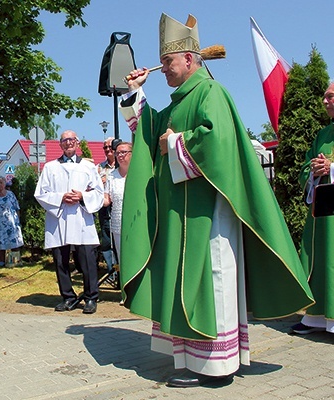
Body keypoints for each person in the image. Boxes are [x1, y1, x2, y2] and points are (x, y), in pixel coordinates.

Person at [119, 13, 314, 388]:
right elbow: (148, 133)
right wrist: (136, 94)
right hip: (183, 212)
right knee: (190, 281)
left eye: (168, 63)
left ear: (190, 60)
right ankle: (199, 358)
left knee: (213, 278)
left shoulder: (212, 93)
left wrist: (175, 144)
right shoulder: (179, 103)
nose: (164, 70)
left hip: (210, 213)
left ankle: (216, 366)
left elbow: (218, 143)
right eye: (161, 63)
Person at [34, 130, 104, 314]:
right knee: (60, 260)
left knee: (87, 259)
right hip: (59, 218)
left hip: (82, 218)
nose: (68, 143)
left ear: (77, 142)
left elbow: (98, 193)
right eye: (64, 140)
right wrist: (61, 197)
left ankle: (91, 298)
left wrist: (82, 196)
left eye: (71, 139)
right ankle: (68, 297)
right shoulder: (50, 167)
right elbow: (41, 193)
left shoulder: (88, 167)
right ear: (60, 144)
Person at [293, 82, 334, 335]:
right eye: (325, 97)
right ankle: (317, 318)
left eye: (330, 96)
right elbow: (305, 168)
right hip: (322, 213)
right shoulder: (324, 134)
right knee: (321, 261)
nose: (325, 101)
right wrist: (315, 170)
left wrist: (332, 169)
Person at [103, 141, 132, 266]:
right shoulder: (111, 176)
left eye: (124, 152)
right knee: (123, 260)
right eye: (118, 153)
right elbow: (106, 200)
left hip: (137, 223)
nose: (120, 155)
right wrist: (87, 196)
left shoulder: (139, 174)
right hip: (118, 225)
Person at [0, 176, 24, 266]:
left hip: (12, 223)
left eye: (1, 183)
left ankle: (16, 260)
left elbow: (17, 208)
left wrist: (18, 220)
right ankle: (2, 260)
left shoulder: (11, 194)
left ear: (5, 184)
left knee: (14, 241)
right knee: (0, 241)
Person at [96, 137, 117, 280]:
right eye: (105, 148)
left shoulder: (123, 164)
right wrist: (99, 181)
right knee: (106, 240)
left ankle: (122, 272)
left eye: (110, 147)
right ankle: (112, 272)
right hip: (104, 209)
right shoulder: (99, 167)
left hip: (119, 206)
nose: (108, 150)